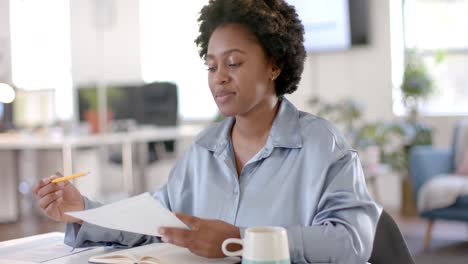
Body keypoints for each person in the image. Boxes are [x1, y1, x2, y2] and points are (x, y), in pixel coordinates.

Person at [32, 0, 381, 263]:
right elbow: (156, 222)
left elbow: (351, 241)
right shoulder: (205, 147)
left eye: (234, 63)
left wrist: (241, 240)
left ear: (274, 64)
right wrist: (83, 211)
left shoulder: (322, 145)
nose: (219, 77)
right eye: (211, 65)